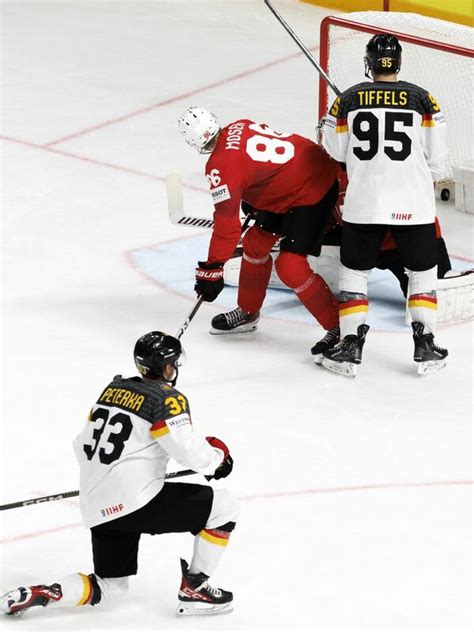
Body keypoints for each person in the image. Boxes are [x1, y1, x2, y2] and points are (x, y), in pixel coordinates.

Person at [1, 332, 238, 618]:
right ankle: (195, 589)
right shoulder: (166, 400)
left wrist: (110, 478)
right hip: (136, 503)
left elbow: (81, 445)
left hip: (96, 506)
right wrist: (218, 459)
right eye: (173, 363)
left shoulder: (111, 390)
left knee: (110, 586)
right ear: (166, 368)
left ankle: (42, 593)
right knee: (224, 506)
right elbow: (190, 452)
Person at [320, 33, 449, 376]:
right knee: (422, 273)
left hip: (365, 202)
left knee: (355, 273)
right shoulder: (424, 99)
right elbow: (438, 160)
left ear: (369, 62)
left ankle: (350, 344)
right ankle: (425, 343)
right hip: (414, 202)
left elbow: (335, 152)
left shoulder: (347, 99)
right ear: (399, 62)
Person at [178, 107, 341, 357]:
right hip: (299, 175)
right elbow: (259, 165)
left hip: (312, 189)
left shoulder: (220, 166)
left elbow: (226, 225)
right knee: (254, 244)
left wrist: (212, 269)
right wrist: (252, 196)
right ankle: (247, 312)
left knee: (291, 266)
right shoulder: (238, 125)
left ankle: (338, 329)